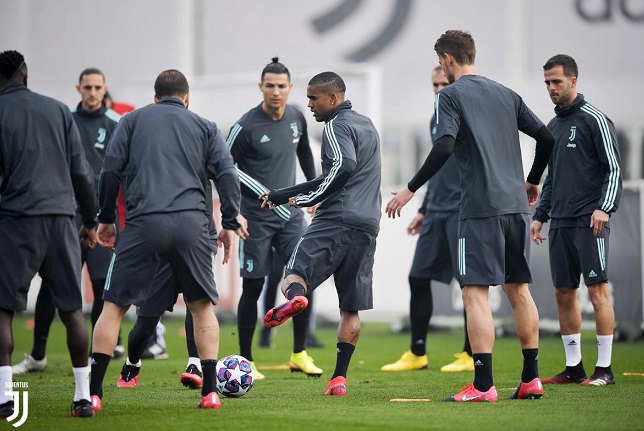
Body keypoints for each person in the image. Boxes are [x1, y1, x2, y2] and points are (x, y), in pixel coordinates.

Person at [385, 30, 556, 402]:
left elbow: (444, 144)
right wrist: (531, 181)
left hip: (478, 210)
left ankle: (483, 385)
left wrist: (411, 188)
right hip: (514, 207)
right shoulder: (506, 94)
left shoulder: (450, 95)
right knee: (519, 291)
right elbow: (547, 138)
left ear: (447, 60)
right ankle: (531, 379)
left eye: (441, 64)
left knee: (474, 294)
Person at [89, 69, 244, 412]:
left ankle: (94, 394)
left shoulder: (131, 122)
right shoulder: (204, 126)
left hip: (144, 222)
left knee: (114, 306)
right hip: (192, 223)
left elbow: (110, 170)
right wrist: (230, 222)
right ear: (186, 98)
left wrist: (105, 219)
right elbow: (227, 174)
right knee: (201, 307)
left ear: (155, 97)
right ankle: (210, 392)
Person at [261, 71, 382, 396]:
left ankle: (296, 298)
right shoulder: (367, 124)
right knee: (350, 309)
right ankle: (339, 379)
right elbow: (335, 174)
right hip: (368, 223)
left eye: (314, 98)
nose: (310, 104)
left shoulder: (335, 126)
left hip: (336, 218)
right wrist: (282, 193)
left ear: (333, 98)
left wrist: (306, 200)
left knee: (293, 274)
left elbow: (343, 166)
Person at [0, 50, 98, 418]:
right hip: (61, 220)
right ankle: (83, 398)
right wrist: (89, 222)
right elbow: (82, 172)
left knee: (3, 312)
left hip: (15, 220)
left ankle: (5, 397)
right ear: (25, 77)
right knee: (72, 311)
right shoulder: (58, 110)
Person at [12, 68, 125, 376]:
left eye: (97, 87)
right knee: (54, 284)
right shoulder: (65, 119)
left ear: (104, 89)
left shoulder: (117, 123)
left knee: (103, 286)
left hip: (103, 217)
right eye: (87, 86)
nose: (92, 92)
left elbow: (126, 169)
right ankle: (37, 355)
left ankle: (94, 355)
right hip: (67, 215)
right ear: (78, 88)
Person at [227, 58, 321, 379]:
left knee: (303, 279)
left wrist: (315, 193)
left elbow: (304, 152)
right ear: (261, 88)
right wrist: (252, 199)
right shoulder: (245, 126)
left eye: (282, 86)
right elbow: (226, 168)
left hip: (291, 217)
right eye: (270, 86)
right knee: (253, 286)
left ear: (290, 88)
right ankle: (247, 359)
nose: (276, 92)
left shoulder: (297, 116)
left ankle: (299, 353)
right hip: (255, 220)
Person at [531, 54, 621, 387]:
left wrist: (604, 207)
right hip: (562, 222)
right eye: (547, 83)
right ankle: (574, 368)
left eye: (556, 81)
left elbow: (613, 168)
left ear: (573, 80)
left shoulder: (595, 119)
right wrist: (540, 216)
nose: (551, 88)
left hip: (591, 220)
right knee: (563, 293)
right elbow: (552, 178)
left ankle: (605, 370)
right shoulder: (553, 127)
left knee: (597, 292)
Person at [381, 66, 473, 373]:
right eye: (434, 84)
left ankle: (470, 353)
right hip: (436, 212)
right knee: (417, 277)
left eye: (443, 83)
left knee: (469, 285)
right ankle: (418, 352)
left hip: (464, 211)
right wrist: (424, 209)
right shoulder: (437, 118)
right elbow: (438, 168)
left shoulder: (469, 114)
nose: (438, 89)